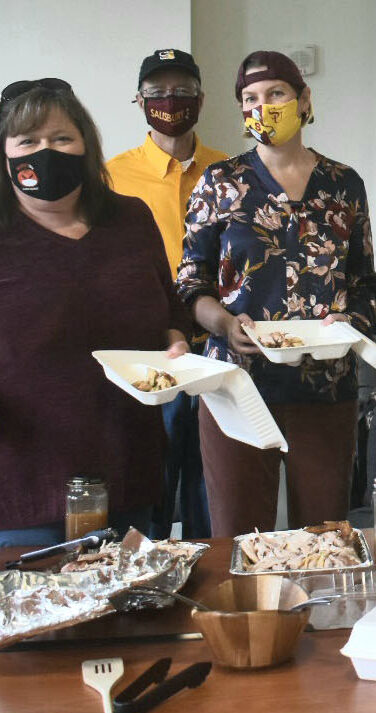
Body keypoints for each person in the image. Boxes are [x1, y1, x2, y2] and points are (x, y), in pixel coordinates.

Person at [176, 51, 376, 536]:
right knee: (239, 542)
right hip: (235, 386)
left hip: (326, 388)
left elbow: (365, 284)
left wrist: (351, 323)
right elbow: (191, 282)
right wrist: (225, 324)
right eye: (249, 99)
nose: (262, 107)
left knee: (325, 541)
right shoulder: (220, 182)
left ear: (304, 100)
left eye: (276, 94)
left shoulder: (344, 185)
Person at [0, 79, 190, 547]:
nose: (46, 151)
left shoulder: (131, 219)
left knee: (133, 609)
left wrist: (176, 341)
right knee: (45, 614)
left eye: (61, 138)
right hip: (24, 476)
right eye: (29, 140)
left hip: (129, 459)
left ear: (86, 144)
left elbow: (170, 310)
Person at [108, 49, 228, 539]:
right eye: (157, 93)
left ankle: (215, 597)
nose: (170, 101)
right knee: (150, 490)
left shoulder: (231, 171)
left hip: (219, 354)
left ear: (201, 98)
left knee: (213, 491)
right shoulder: (111, 176)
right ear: (138, 100)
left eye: (182, 91)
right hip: (148, 355)